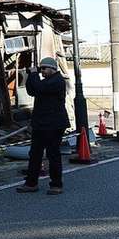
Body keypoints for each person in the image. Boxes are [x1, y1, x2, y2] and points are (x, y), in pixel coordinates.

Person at [16, 57, 70, 195]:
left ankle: (56, 185)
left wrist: (34, 74)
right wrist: (30, 76)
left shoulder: (57, 81)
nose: (42, 72)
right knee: (34, 154)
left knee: (53, 154)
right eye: (41, 69)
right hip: (40, 123)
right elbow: (32, 91)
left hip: (54, 123)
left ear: (52, 68)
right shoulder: (45, 81)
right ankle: (31, 183)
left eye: (44, 69)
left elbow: (40, 87)